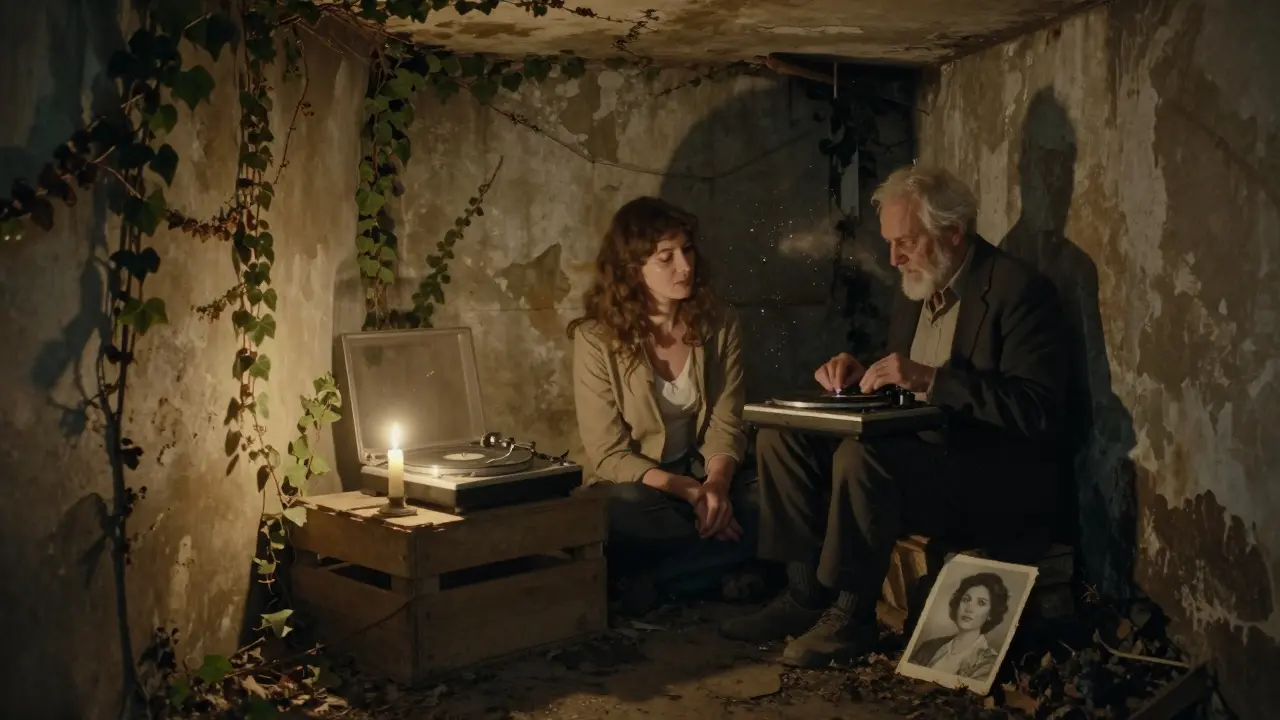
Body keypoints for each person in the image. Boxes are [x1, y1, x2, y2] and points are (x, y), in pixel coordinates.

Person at [719, 164, 1070, 668]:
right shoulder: (920, 286)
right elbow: (905, 380)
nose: (893, 257)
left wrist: (931, 380)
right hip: (922, 457)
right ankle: (803, 595)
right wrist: (865, 373)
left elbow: (1039, 413)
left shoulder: (1018, 291)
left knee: (863, 462)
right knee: (781, 435)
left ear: (953, 232)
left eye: (906, 242)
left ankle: (852, 615)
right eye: (889, 242)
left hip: (987, 473)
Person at [568, 196, 756, 598]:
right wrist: (688, 491)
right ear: (633, 269)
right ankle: (718, 567)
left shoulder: (721, 325)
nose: (684, 267)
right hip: (643, 484)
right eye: (665, 257)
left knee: (772, 499)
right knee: (616, 513)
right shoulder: (595, 339)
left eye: (686, 250)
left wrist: (717, 486)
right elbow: (608, 454)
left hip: (703, 471)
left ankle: (657, 584)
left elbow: (727, 421)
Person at [906, 572, 1008, 680]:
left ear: (991, 614)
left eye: (981, 603)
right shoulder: (929, 647)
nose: (969, 608)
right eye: (966, 599)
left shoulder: (988, 662)